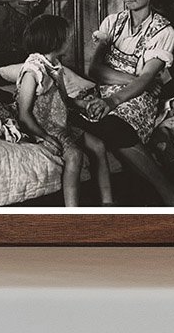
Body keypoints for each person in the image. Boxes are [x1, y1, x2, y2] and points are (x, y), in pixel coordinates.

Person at [81, 0, 174, 206]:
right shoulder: (112, 23)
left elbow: (148, 78)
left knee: (112, 126)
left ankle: (168, 192)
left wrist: (115, 99)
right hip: (109, 91)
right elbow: (94, 70)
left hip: (136, 98)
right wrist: (135, 81)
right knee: (78, 116)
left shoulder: (163, 31)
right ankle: (156, 141)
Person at [15, 13, 113, 208]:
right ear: (54, 40)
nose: (70, 39)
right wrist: (45, 136)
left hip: (60, 123)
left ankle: (108, 203)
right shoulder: (32, 71)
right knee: (75, 155)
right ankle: (72, 212)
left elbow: (63, 99)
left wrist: (83, 104)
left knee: (98, 146)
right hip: (40, 127)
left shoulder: (55, 66)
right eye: (67, 36)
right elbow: (24, 114)